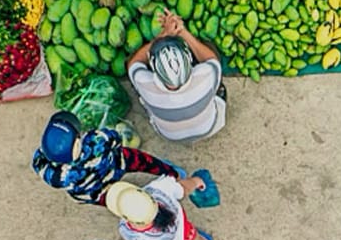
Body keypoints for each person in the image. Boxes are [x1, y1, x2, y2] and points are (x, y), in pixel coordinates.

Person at [33, 111, 184, 207]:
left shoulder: (57, 177)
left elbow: (37, 162)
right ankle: (172, 174)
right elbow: (115, 138)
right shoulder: (96, 141)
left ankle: (135, 206)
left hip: (94, 192)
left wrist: (46, 152)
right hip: (118, 164)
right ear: (78, 142)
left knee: (116, 201)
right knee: (144, 162)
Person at [83, 175, 211, 240]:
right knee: (190, 234)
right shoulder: (159, 188)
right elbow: (183, 188)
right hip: (179, 225)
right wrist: (196, 181)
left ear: (128, 219)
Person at [128, 12, 227, 142]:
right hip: (208, 127)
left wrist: (162, 37)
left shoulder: (144, 84)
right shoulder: (206, 75)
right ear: (189, 58)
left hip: (169, 136)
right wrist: (182, 32)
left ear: (153, 65)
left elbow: (133, 63)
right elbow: (211, 59)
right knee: (210, 49)